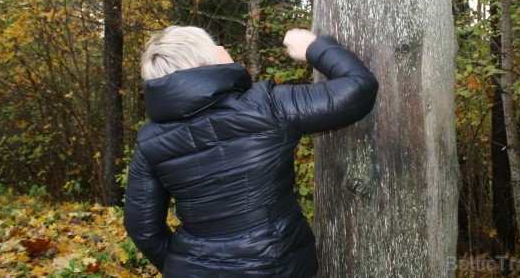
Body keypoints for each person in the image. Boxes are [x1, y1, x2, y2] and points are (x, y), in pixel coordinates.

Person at [124, 26, 379, 277]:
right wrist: (313, 47)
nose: (221, 47)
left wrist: (182, 265)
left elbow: (142, 229)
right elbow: (359, 88)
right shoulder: (265, 106)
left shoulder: (149, 140)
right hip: (272, 266)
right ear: (204, 60)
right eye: (214, 45)